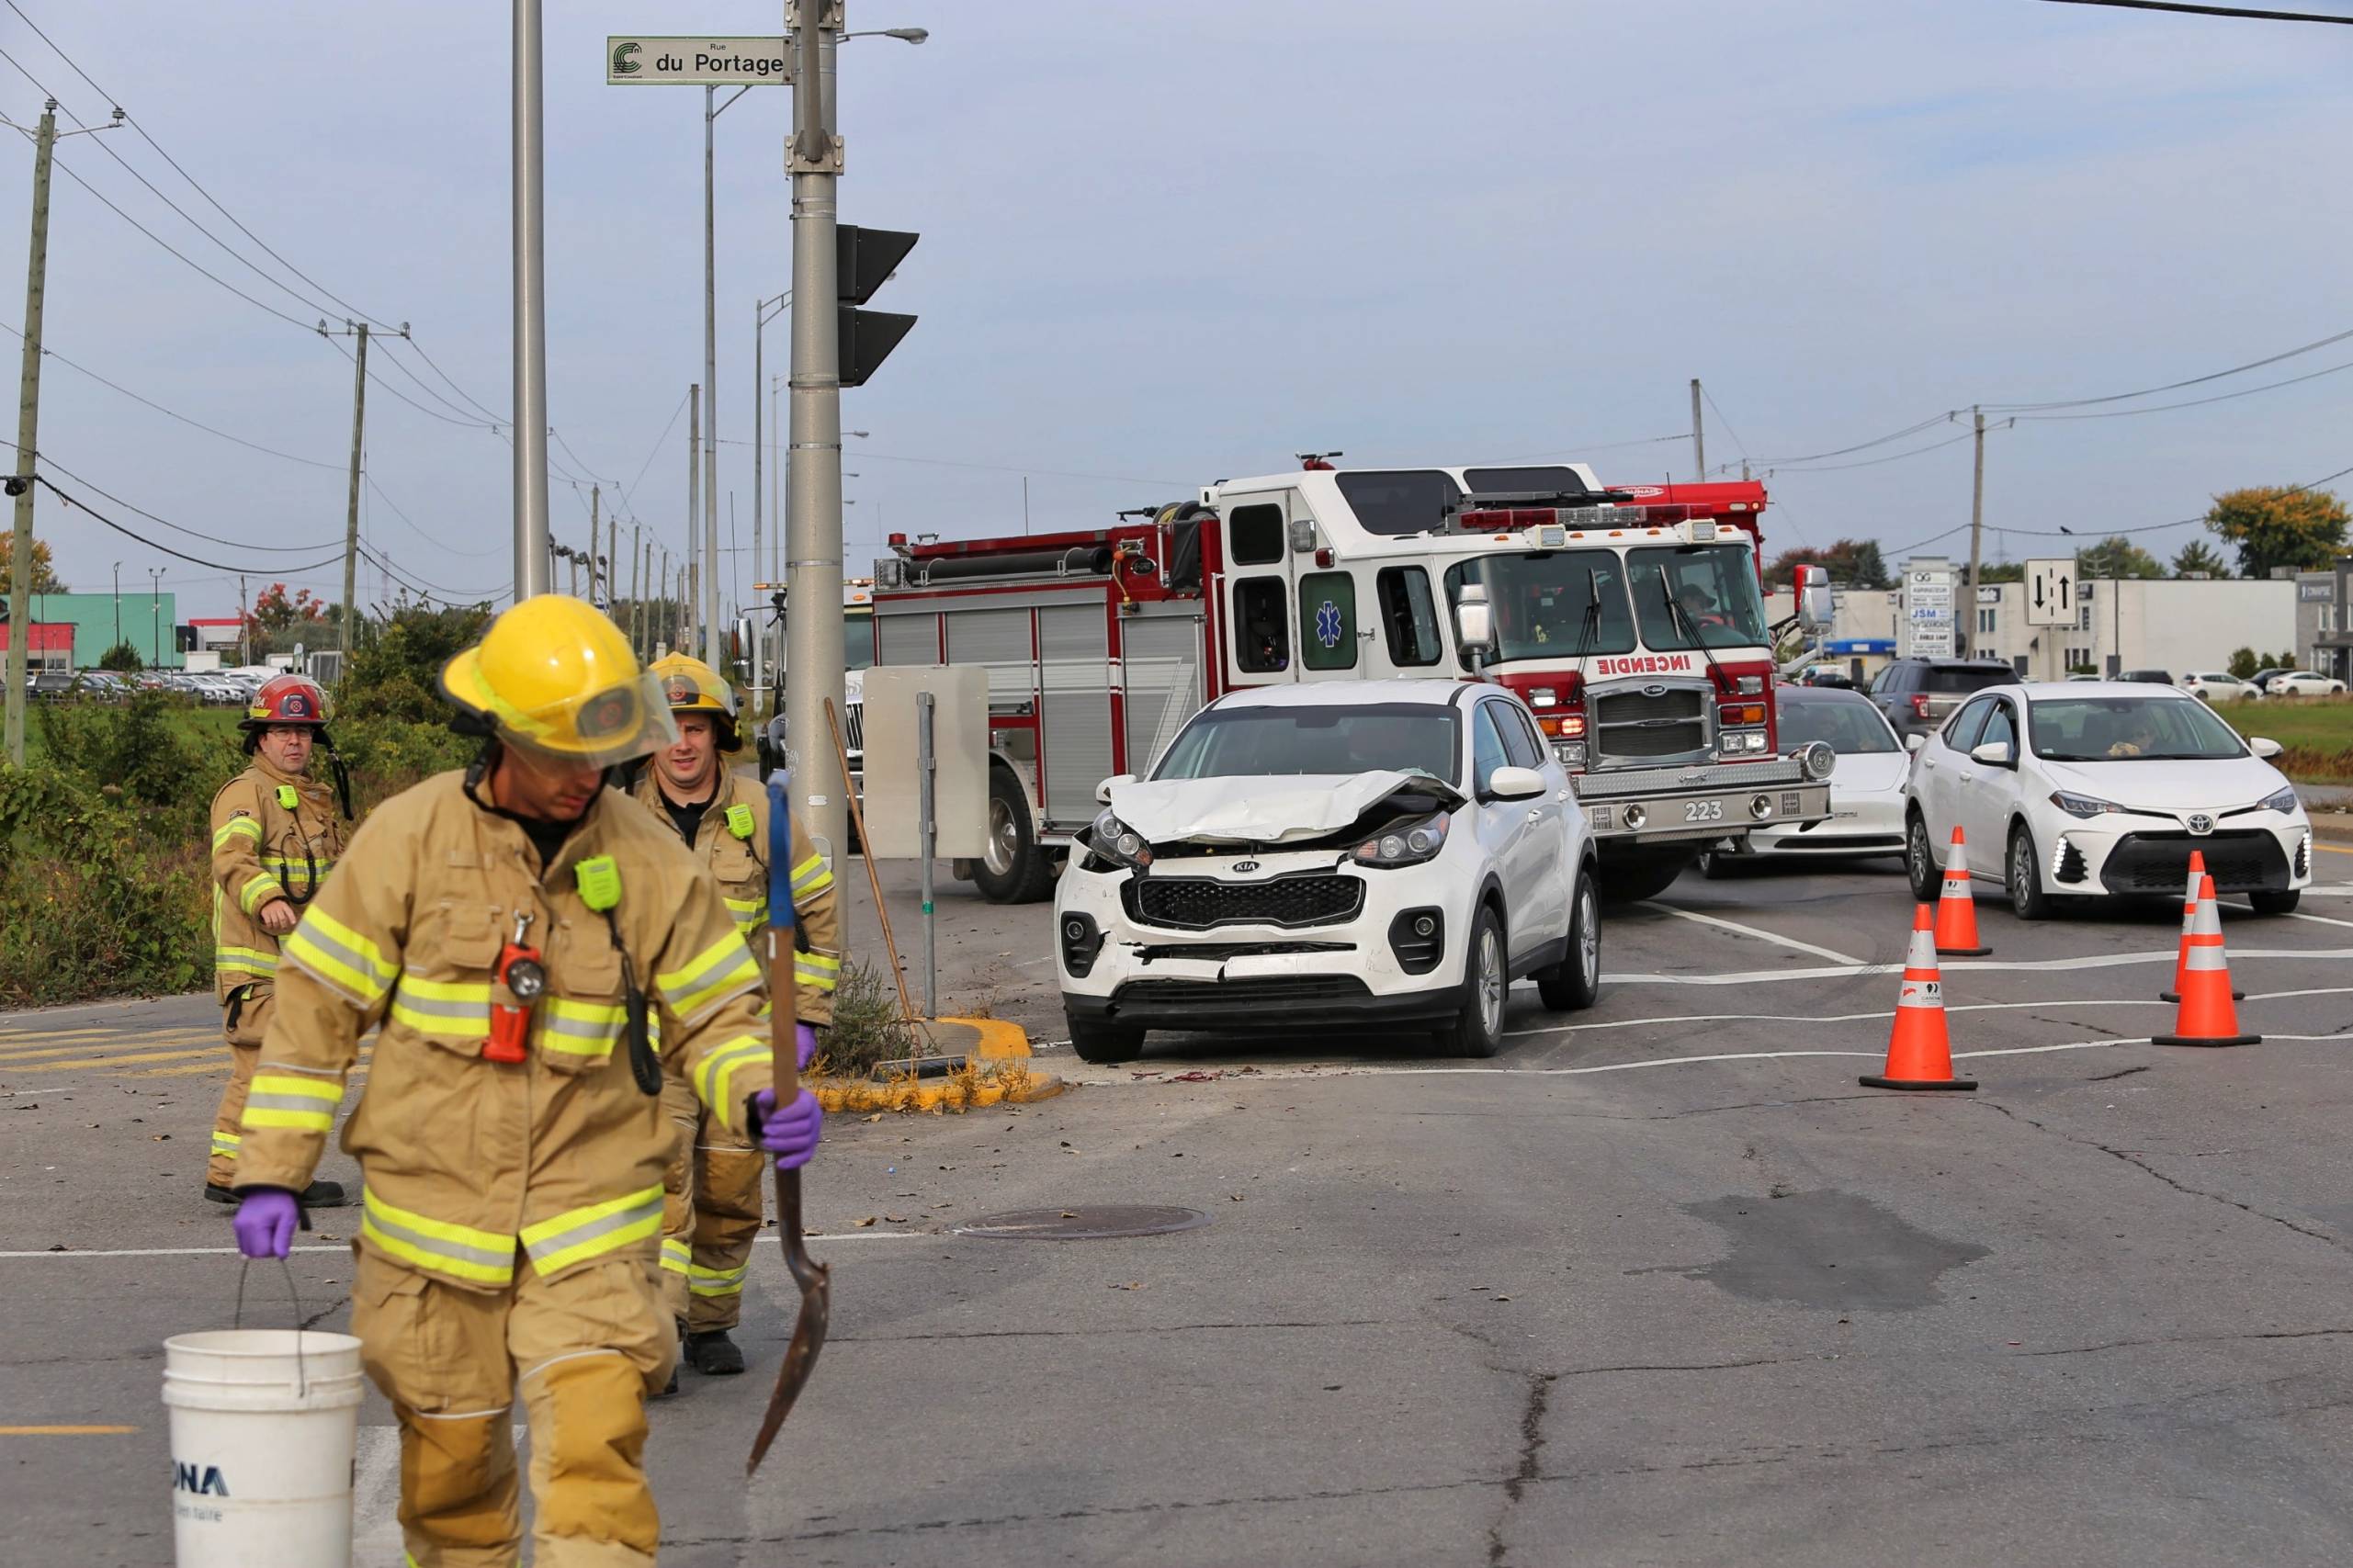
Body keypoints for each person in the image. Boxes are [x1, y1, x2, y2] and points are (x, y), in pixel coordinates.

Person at [226, 594, 824, 1568]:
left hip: (590, 1231)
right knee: (452, 1495)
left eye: (602, 754)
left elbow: (716, 1010)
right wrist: (271, 1169)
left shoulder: (644, 856)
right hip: (432, 1238)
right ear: (501, 736)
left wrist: (759, 1089)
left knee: (597, 1468)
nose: (588, 777)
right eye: (566, 756)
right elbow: (314, 1015)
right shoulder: (408, 838)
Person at [633, 653, 842, 1382]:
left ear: (718, 733)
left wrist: (803, 1020)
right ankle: (656, 1333)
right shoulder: (616, 816)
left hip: (740, 1042)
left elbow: (815, 915)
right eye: (668, 727)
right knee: (657, 1190)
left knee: (728, 1189)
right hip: (649, 1042)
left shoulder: (761, 812)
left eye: (695, 727)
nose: (682, 743)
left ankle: (710, 1324)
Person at [205, 672, 352, 1208]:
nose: (295, 741)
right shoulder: (247, 793)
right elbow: (232, 857)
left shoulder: (310, 799)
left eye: (305, 732)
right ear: (261, 739)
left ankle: (243, 1173)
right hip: (257, 965)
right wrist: (264, 896)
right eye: (284, 732)